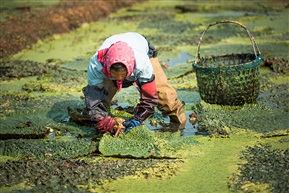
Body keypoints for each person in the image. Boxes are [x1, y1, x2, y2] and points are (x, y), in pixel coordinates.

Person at [82, 32, 186, 135]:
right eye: (115, 76)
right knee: (97, 104)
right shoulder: (96, 65)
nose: (119, 80)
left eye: (123, 75)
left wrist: (138, 119)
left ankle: (180, 127)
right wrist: (101, 119)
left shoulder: (142, 64)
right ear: (107, 68)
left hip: (139, 47)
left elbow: (149, 99)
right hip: (110, 65)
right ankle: (99, 127)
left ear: (131, 69)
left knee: (165, 98)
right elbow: (94, 98)